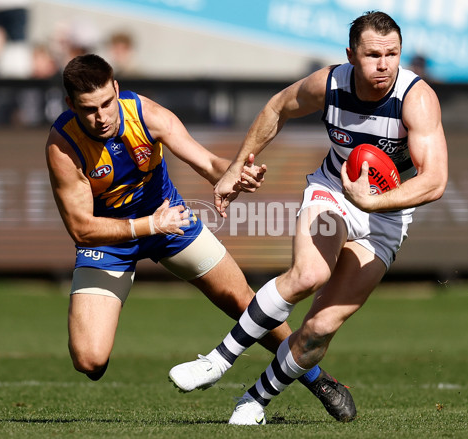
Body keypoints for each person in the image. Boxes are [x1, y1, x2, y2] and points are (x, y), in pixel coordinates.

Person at [168, 11, 448, 425]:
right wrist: (234, 168)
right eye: (373, 55)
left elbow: (435, 181)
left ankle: (255, 400)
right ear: (351, 55)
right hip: (332, 190)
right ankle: (217, 360)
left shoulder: (416, 99)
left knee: (320, 327)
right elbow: (277, 108)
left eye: (392, 54)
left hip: (386, 213)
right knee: (308, 275)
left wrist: (371, 203)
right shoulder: (329, 83)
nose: (384, 65)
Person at [45, 53, 353, 421]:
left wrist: (235, 174)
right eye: (88, 109)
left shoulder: (146, 115)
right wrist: (147, 226)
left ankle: (317, 378)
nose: (101, 117)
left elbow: (207, 163)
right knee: (89, 360)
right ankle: (95, 354)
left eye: (107, 103)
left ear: (116, 89)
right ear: (70, 105)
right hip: (110, 240)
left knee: (243, 302)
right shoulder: (63, 146)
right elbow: (81, 228)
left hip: (171, 223)